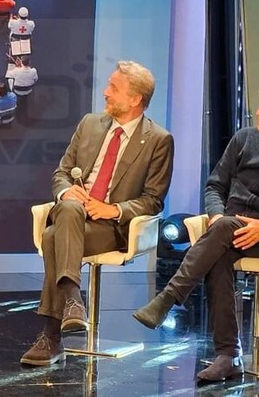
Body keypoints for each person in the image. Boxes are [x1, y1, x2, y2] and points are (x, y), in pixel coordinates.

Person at [132, 81, 259, 382]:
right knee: (219, 254)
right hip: (230, 228)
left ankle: (168, 299)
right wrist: (216, 215)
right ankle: (228, 356)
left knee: (222, 235)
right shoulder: (243, 139)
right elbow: (215, 186)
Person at [20, 61, 174, 367]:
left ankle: (52, 335)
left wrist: (114, 209)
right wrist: (66, 192)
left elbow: (154, 200)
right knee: (68, 207)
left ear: (135, 99)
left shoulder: (158, 139)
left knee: (51, 237)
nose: (105, 92)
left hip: (110, 227)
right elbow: (61, 174)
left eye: (113, 88)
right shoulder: (89, 124)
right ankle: (72, 301)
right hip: (73, 214)